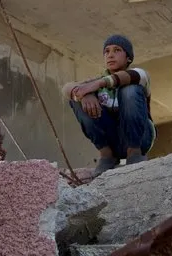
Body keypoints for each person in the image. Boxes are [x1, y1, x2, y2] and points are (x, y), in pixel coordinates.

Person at [62, 35, 155, 178]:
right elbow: (67, 88)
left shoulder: (139, 75)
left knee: (129, 90)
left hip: (140, 138)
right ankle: (107, 156)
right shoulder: (96, 81)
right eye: (106, 51)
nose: (110, 55)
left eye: (117, 50)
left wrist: (96, 85)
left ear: (128, 58)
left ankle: (134, 154)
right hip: (112, 141)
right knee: (77, 99)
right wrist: (85, 94)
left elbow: (134, 76)